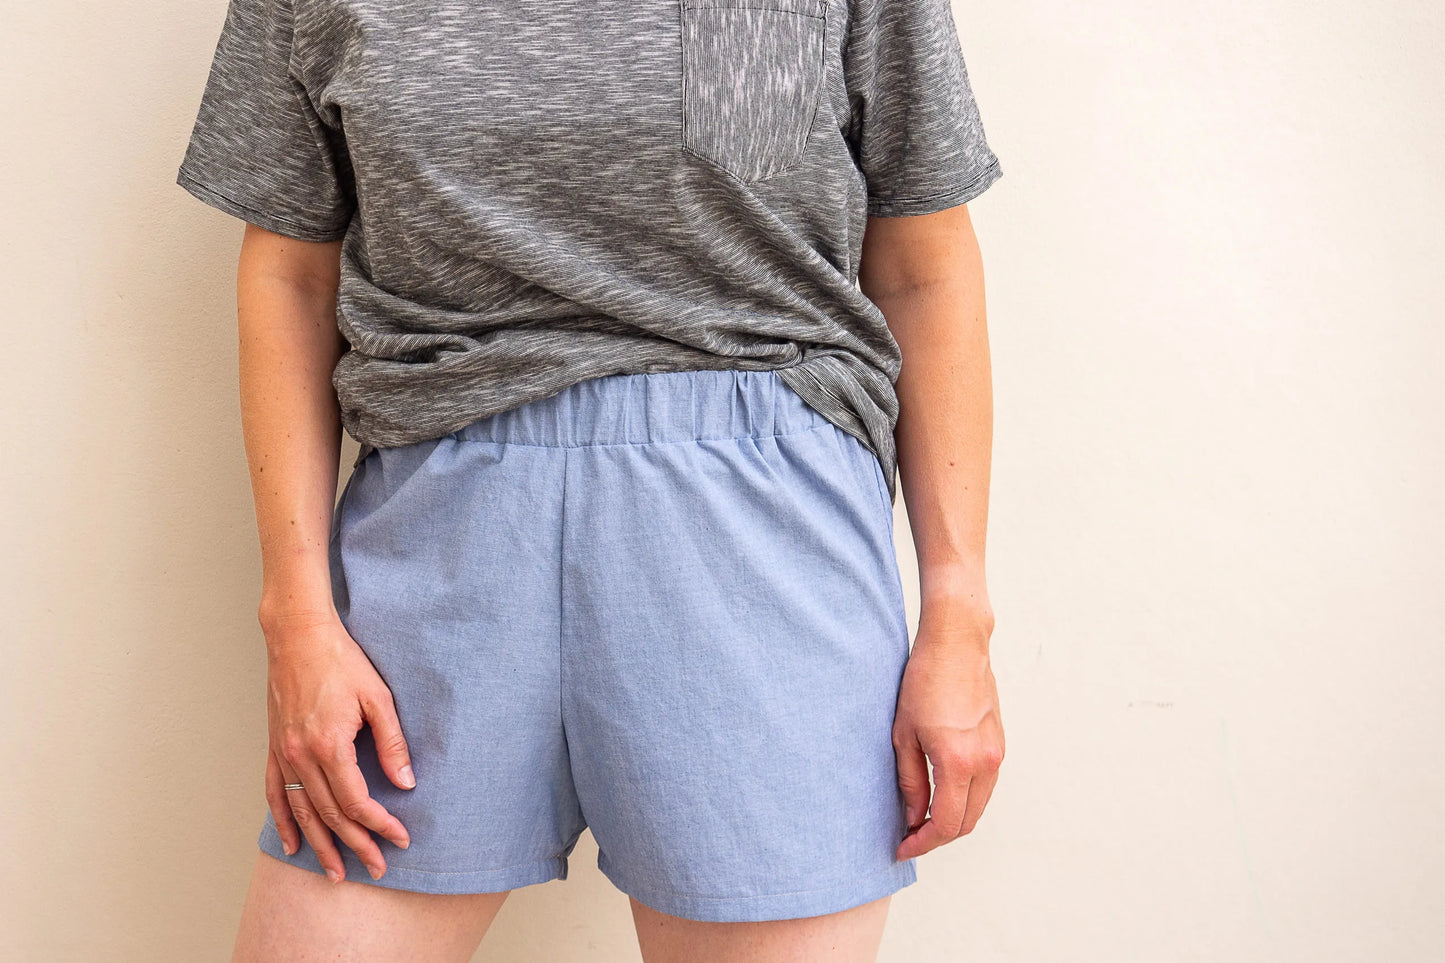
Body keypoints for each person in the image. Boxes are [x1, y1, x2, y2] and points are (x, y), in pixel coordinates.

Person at [176, 0, 1006, 958]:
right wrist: (296, 619)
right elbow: (291, 274)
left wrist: (958, 617)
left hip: (759, 533)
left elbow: (922, 269)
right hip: (437, 525)